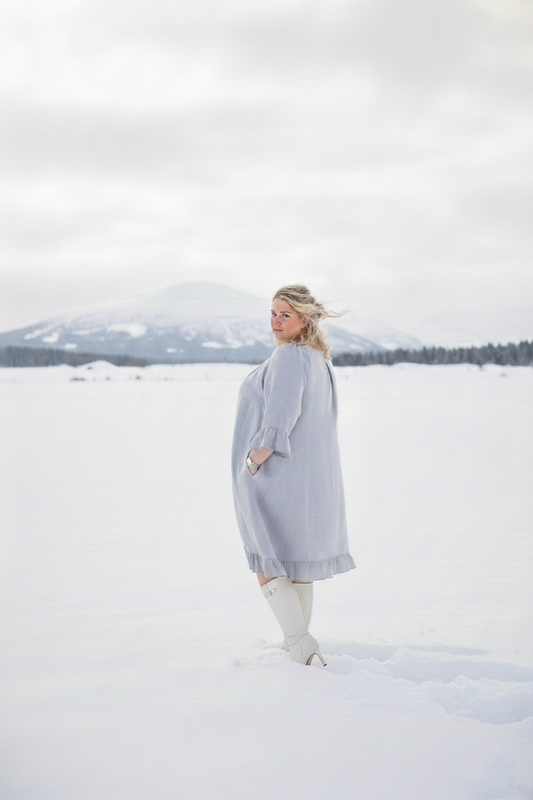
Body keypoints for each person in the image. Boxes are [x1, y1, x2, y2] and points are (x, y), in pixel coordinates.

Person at [231, 284, 356, 666]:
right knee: (297, 566)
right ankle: (297, 646)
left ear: (304, 319)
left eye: (285, 314)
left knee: (266, 561)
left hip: (277, 478)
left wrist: (253, 461)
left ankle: (300, 644)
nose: (275, 321)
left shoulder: (289, 356)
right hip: (310, 480)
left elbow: (279, 420)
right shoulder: (318, 359)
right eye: (272, 313)